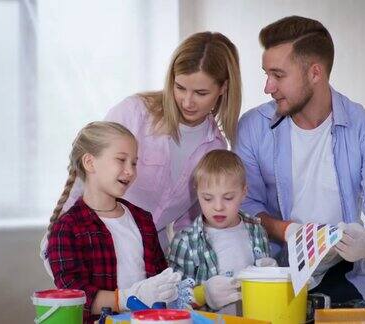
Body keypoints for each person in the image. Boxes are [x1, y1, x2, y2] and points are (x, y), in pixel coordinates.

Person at [234, 16, 365, 302]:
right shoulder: (252, 127)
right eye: (266, 74)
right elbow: (246, 207)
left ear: (315, 73)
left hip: (344, 278)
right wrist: (289, 232)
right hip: (271, 272)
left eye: (278, 75)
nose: (268, 87)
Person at [62, 32, 242, 250]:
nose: (187, 102)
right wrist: (59, 240)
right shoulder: (135, 112)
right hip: (96, 243)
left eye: (201, 93)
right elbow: (85, 178)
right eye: (180, 87)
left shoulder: (215, 147)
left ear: (223, 88)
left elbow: (190, 221)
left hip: (153, 255)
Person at [43, 122, 180, 323]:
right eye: (121, 160)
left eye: (134, 163)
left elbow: (161, 282)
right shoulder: (67, 228)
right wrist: (125, 299)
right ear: (90, 162)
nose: (130, 171)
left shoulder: (143, 219)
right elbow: (75, 297)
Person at [167, 150, 276, 315]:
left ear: (244, 192)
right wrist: (203, 294)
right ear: (197, 193)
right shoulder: (185, 242)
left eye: (228, 197)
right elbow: (172, 302)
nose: (218, 207)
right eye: (208, 198)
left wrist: (274, 276)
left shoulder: (257, 232)